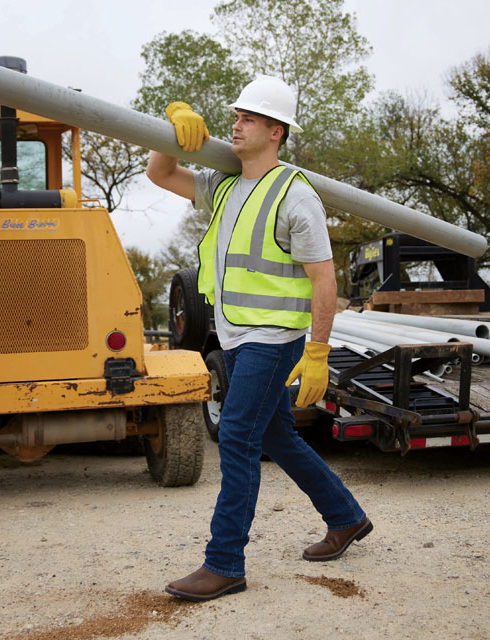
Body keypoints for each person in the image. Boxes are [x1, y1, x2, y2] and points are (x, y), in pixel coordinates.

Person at [146, 75, 372, 602]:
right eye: (237, 115)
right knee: (274, 437)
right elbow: (161, 174)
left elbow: (325, 280)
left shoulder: (297, 196)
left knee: (238, 437)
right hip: (237, 337)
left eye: (248, 117)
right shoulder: (224, 186)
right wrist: (171, 124)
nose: (236, 123)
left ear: (276, 131)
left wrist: (317, 351)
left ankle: (224, 563)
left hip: (273, 341)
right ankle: (346, 517)